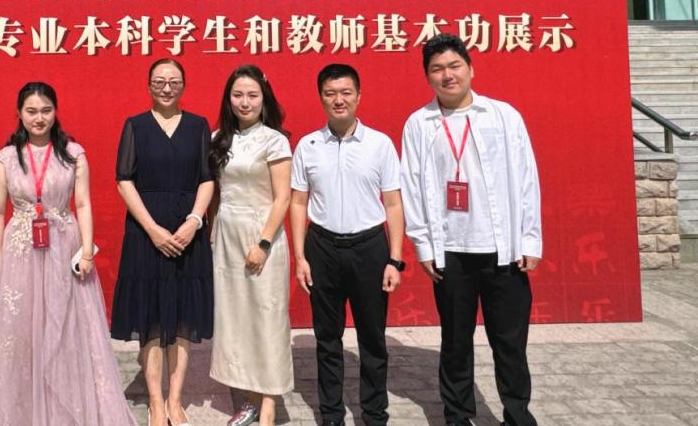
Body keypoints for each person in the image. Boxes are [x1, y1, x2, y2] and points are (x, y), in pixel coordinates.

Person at [0, 82, 135, 426]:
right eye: (31, 111)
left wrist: (87, 250)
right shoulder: (6, 158)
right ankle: (23, 409)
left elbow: (83, 204)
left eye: (46, 111)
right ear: (19, 113)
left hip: (64, 246)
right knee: (21, 333)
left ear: (55, 112)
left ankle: (65, 407)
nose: (39, 118)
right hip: (20, 250)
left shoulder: (73, 153)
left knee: (66, 328)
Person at [399, 33, 542, 426]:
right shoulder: (420, 124)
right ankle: (458, 415)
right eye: (437, 69)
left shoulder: (503, 116)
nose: (448, 75)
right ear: (428, 77)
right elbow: (411, 186)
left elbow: (527, 178)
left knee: (510, 343)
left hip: (503, 249)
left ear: (470, 68)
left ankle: (517, 414)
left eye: (454, 66)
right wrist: (423, 246)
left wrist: (530, 238)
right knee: (455, 342)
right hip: (451, 252)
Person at [289, 63, 406, 426]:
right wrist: (300, 257)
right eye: (330, 93)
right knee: (327, 339)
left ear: (358, 96)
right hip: (322, 247)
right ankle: (331, 415)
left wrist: (395, 259)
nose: (338, 100)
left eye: (345, 92)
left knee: (373, 339)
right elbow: (297, 202)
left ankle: (374, 414)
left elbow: (393, 203)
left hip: (370, 248)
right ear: (321, 97)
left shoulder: (380, 144)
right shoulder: (308, 146)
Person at [110, 59, 215, 426]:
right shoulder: (135, 126)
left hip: (189, 234)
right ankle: (155, 401)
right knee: (152, 317)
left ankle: (175, 399)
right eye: (159, 81)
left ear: (183, 85)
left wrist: (194, 221)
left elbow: (207, 178)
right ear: (148, 85)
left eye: (173, 81)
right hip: (146, 234)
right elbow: (124, 179)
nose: (166, 87)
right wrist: (153, 229)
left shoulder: (198, 126)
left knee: (183, 318)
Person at [208, 65, 293, 426]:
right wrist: (212, 234)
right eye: (238, 95)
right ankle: (248, 400)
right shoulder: (218, 139)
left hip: (262, 236)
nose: (245, 102)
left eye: (252, 95)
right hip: (226, 239)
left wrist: (263, 243)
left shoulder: (275, 140)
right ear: (229, 99)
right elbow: (215, 194)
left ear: (264, 99)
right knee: (236, 322)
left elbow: (283, 197)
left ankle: (269, 403)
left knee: (267, 320)